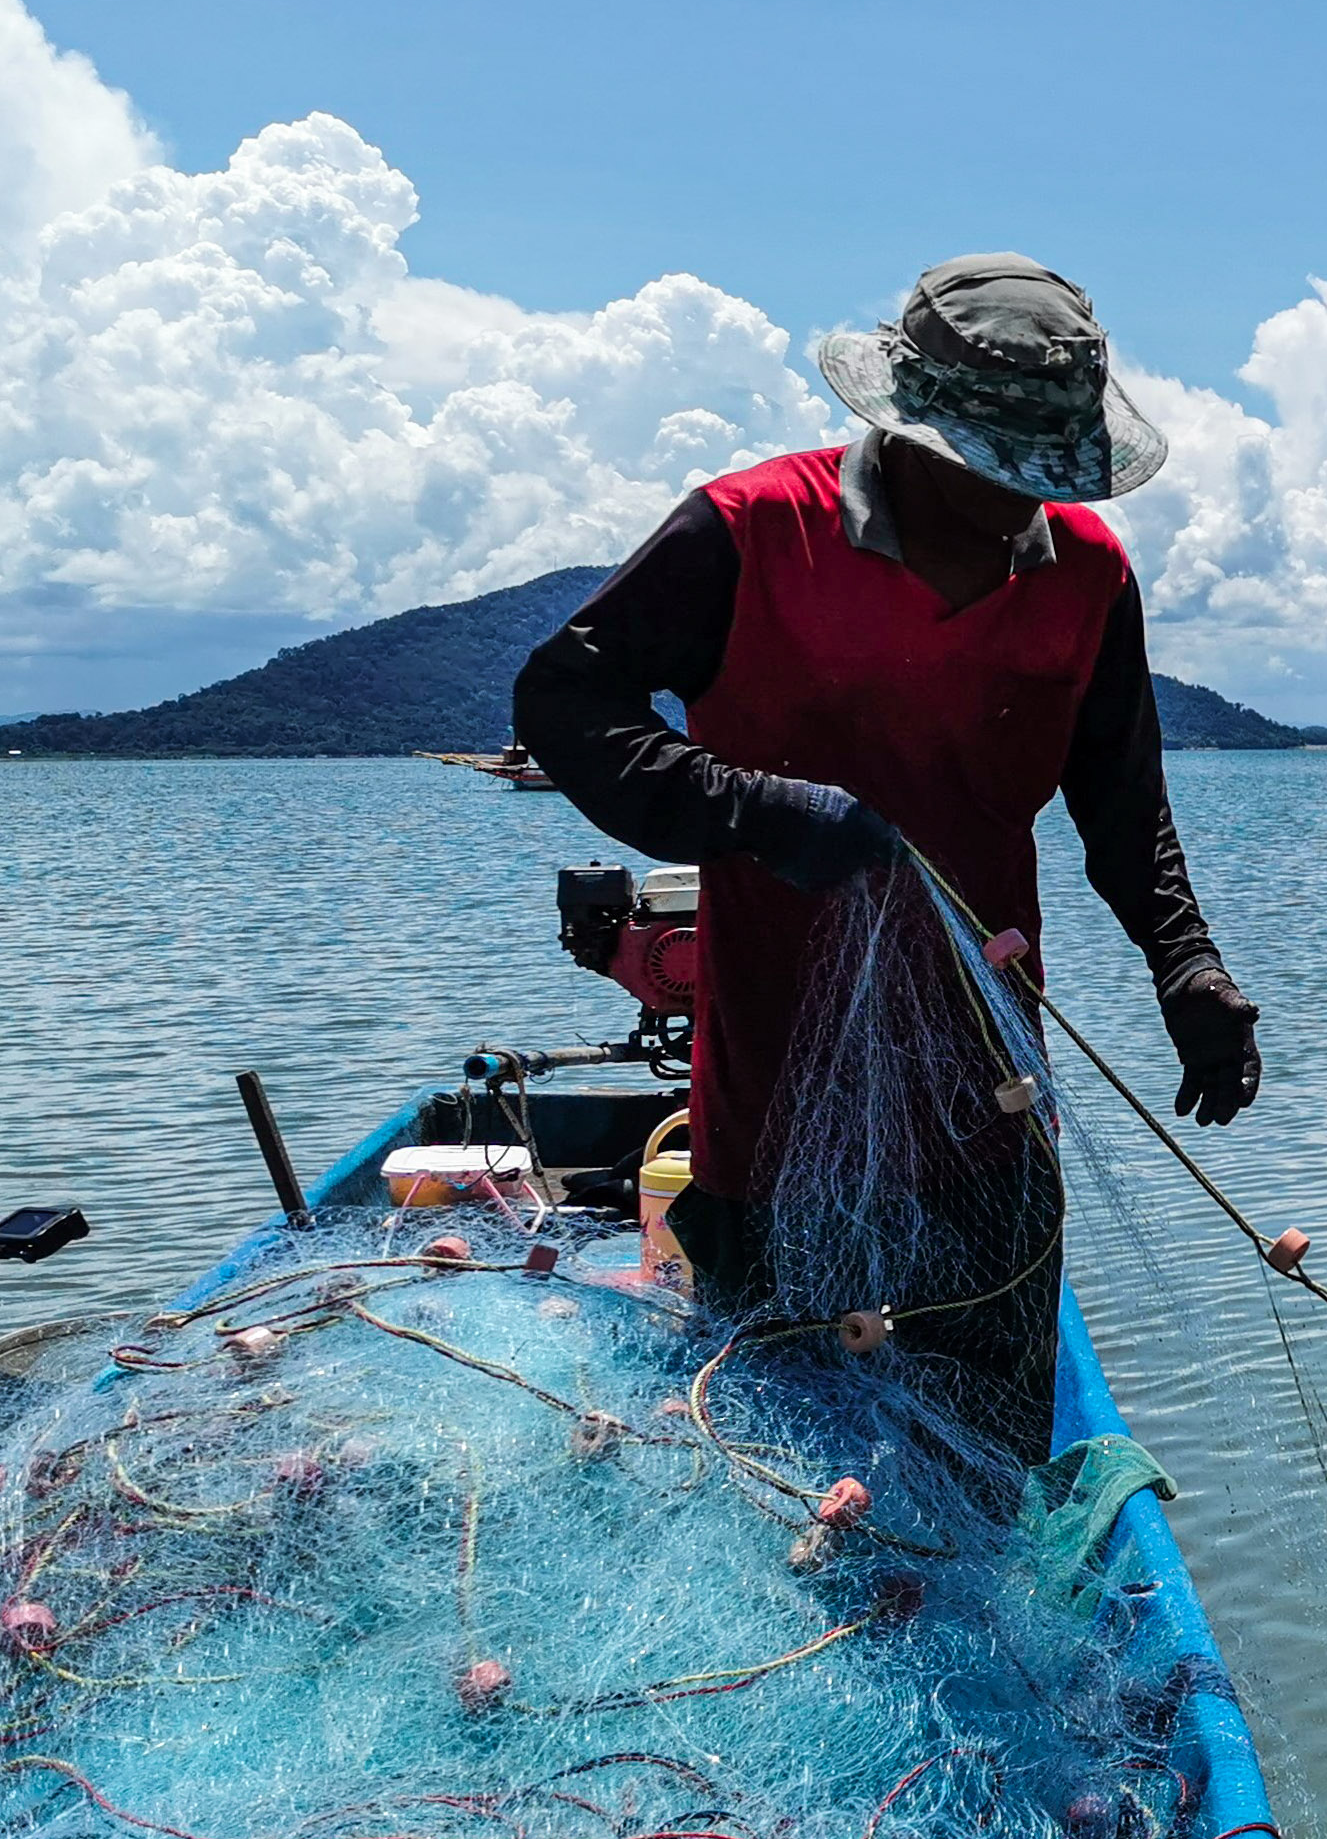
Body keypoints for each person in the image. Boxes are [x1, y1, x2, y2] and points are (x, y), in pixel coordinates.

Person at [515, 253, 1260, 1462]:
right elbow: (564, 702)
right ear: (908, 429)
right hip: (779, 1090)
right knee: (780, 1439)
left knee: (988, 1429)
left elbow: (1124, 806)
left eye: (1046, 471)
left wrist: (1187, 968)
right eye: (995, 469)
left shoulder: (1087, 575)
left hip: (988, 1097)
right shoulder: (751, 532)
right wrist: (751, 806)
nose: (1026, 498)